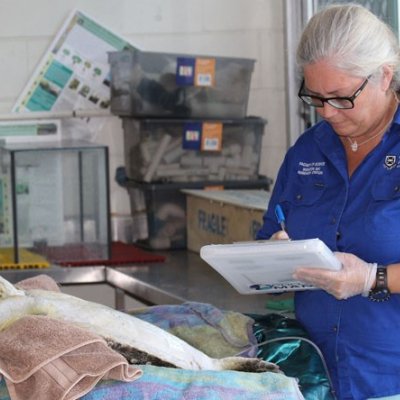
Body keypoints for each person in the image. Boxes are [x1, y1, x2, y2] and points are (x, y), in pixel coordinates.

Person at [256, 4, 400, 400]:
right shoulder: (308, 151)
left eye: (341, 98)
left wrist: (374, 278)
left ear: (384, 77)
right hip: (313, 379)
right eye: (315, 98)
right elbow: (273, 232)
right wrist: (272, 261)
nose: (327, 113)